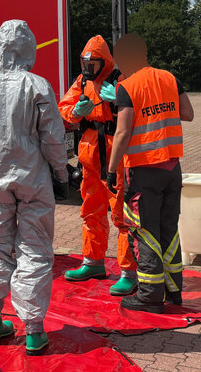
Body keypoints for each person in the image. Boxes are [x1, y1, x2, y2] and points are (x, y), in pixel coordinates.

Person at [0, 20, 69, 356]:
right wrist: (61, 174)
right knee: (35, 249)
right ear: (28, 48)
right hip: (34, 179)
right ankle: (34, 331)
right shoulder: (38, 85)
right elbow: (53, 137)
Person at [106, 33, 194, 314]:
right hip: (172, 168)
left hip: (143, 171)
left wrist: (111, 170)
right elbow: (188, 113)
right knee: (169, 230)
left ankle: (149, 296)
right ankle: (173, 291)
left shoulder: (126, 87)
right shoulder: (169, 78)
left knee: (144, 232)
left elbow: (122, 132)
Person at [58, 36, 138, 296]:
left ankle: (129, 272)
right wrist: (77, 112)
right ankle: (92, 262)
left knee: (122, 214)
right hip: (90, 152)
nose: (88, 69)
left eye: (93, 64)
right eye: (85, 63)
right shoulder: (82, 81)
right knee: (91, 208)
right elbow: (65, 108)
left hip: (116, 151)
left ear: (104, 61)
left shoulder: (122, 78)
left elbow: (138, 110)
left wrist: (118, 100)